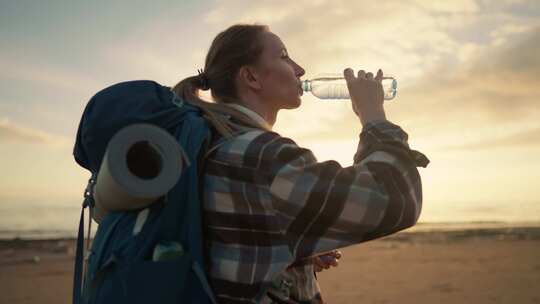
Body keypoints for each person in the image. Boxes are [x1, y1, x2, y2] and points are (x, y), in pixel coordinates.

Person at [171, 23, 428, 304]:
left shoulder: (213, 146)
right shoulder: (261, 157)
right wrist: (373, 115)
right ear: (251, 77)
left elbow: (228, 245)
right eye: (283, 56)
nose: (300, 69)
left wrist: (294, 256)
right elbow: (396, 199)